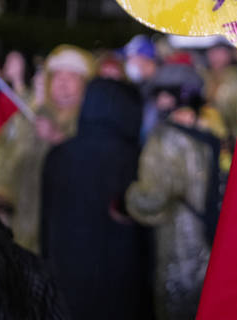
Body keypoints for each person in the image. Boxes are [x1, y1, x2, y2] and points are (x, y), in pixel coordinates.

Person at [40, 78, 154, 320]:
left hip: (65, 285)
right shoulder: (132, 158)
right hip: (122, 289)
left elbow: (45, 223)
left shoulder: (58, 155)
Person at [125, 63, 220, 320]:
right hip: (216, 251)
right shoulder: (214, 134)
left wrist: (129, 196)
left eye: (161, 94)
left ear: (172, 96)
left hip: (179, 254)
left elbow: (154, 198)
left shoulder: (164, 138)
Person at [0, 45, 93, 253]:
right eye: (57, 74)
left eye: (72, 76)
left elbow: (94, 171)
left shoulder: (91, 121)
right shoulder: (33, 116)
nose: (62, 82)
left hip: (65, 238)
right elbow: (9, 157)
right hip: (20, 230)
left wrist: (59, 139)